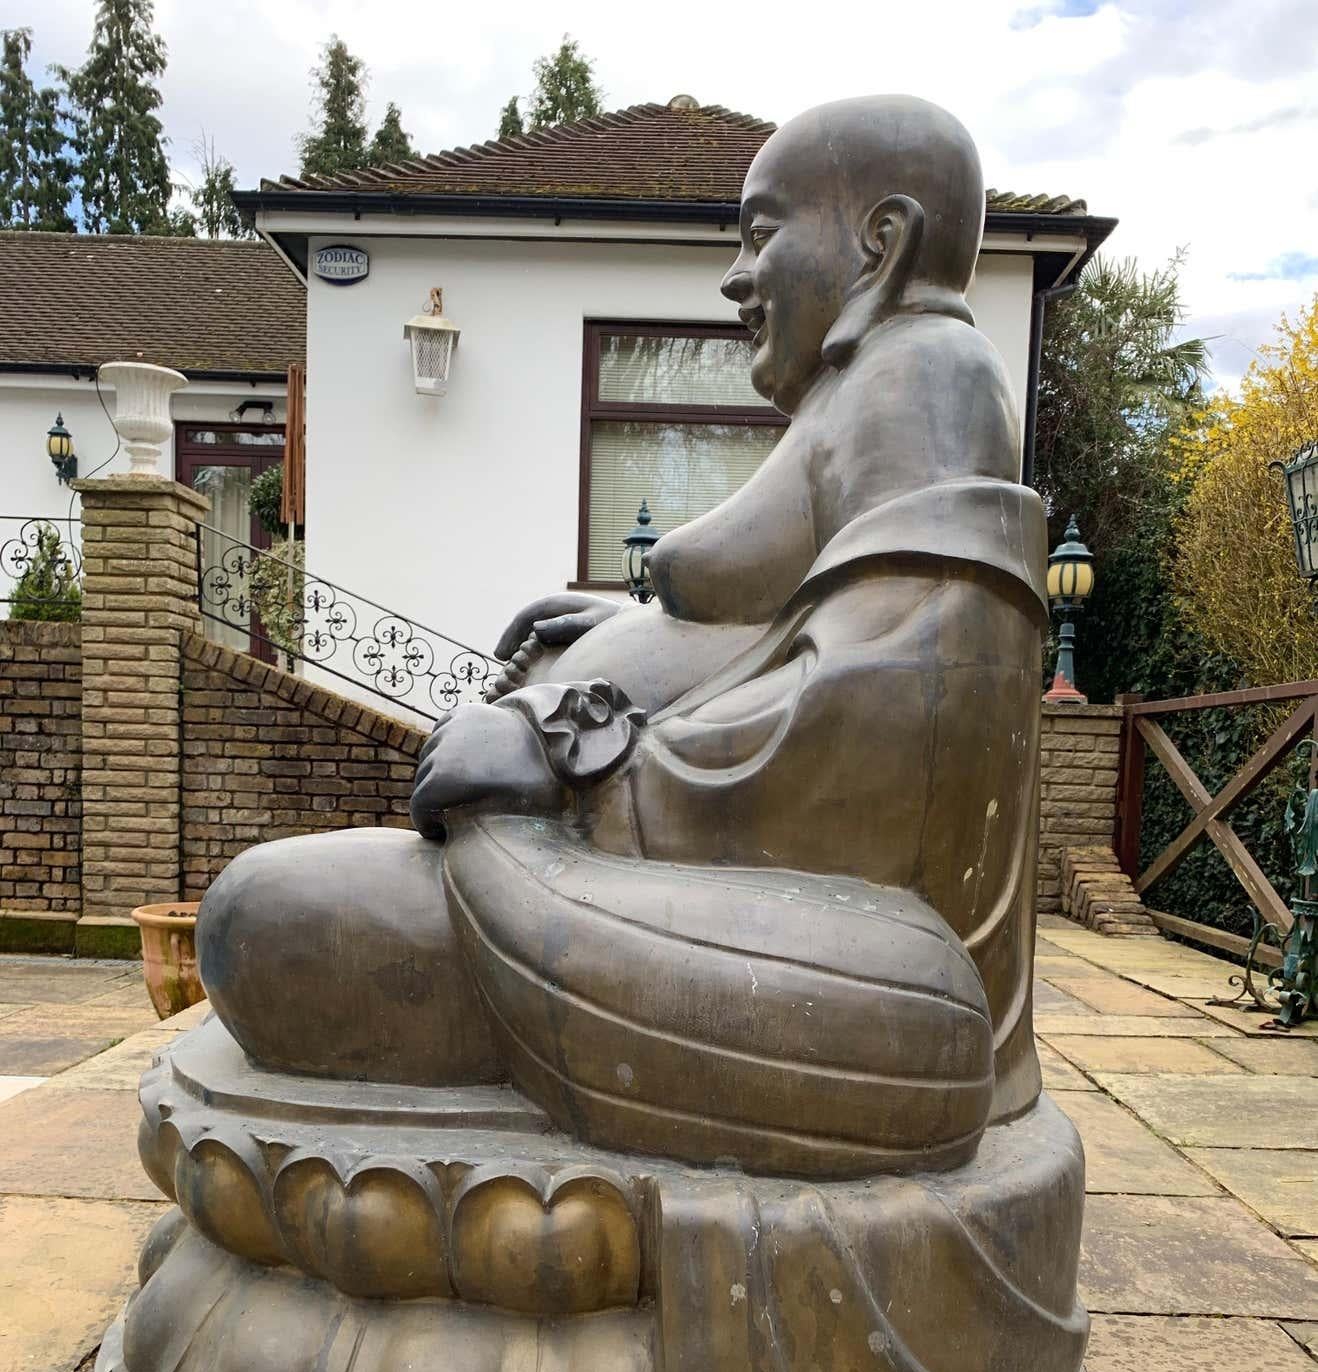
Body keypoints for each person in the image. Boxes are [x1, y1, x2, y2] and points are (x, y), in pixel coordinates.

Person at [198, 94, 1047, 1177]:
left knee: (269, 919)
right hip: (631, 866)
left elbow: (895, 722)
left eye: (760, 232)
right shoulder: (866, 391)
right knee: (272, 913)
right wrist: (629, 627)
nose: (737, 278)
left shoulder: (924, 378)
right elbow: (798, 623)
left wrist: (569, 752)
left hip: (740, 909)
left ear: (880, 243)